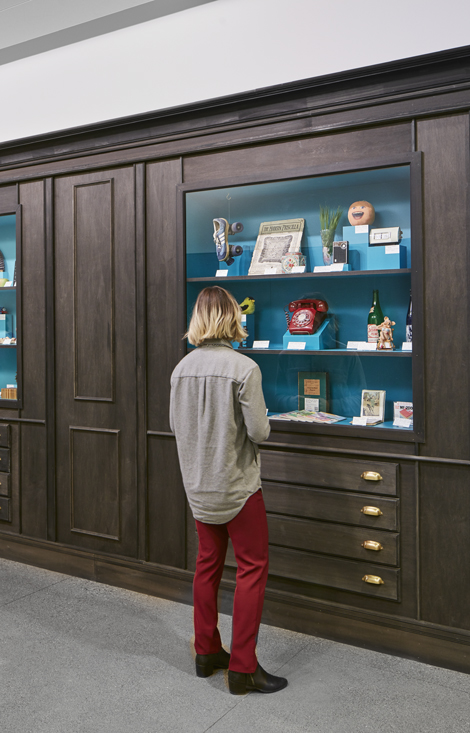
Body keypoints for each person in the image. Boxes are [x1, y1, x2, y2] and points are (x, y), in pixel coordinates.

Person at [169, 286, 286, 695]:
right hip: (238, 489)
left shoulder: (180, 369)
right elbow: (260, 432)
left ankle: (206, 652)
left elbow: (175, 427)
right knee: (252, 568)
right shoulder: (244, 368)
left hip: (198, 488)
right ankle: (243, 668)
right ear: (232, 317)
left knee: (207, 566)